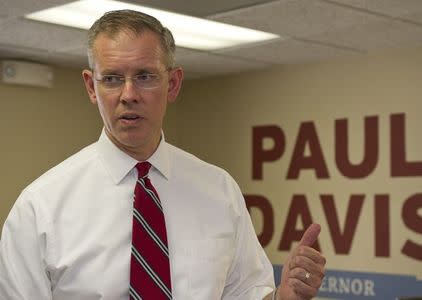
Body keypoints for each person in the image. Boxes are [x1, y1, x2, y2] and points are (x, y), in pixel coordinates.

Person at [0, 9, 326, 300]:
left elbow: (244, 293)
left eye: (144, 77)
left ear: (172, 84)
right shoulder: (39, 209)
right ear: (91, 87)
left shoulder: (219, 191)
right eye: (112, 79)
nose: (128, 95)